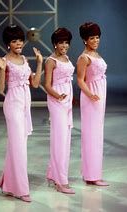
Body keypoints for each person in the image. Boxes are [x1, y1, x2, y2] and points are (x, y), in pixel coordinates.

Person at [0, 25, 43, 202]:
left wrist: (39, 62)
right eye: (14, 41)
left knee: (17, 145)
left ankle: (8, 185)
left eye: (20, 39)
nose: (19, 43)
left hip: (25, 104)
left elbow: (35, 84)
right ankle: (21, 190)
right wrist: (1, 69)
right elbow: (0, 90)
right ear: (8, 44)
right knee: (19, 147)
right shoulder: (5, 61)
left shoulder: (25, 60)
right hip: (13, 104)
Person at [76, 22, 109, 186]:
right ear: (85, 40)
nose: (95, 40)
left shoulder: (96, 54)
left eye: (97, 37)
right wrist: (90, 94)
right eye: (92, 38)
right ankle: (91, 175)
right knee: (91, 135)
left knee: (97, 134)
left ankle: (93, 173)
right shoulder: (84, 57)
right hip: (91, 98)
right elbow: (80, 80)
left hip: (99, 96)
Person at [45, 27, 75, 194]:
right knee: (60, 140)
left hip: (67, 100)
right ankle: (60, 181)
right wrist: (58, 96)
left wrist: (68, 98)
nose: (64, 45)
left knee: (66, 139)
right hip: (57, 101)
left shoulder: (66, 58)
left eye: (66, 42)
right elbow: (46, 84)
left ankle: (52, 174)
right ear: (55, 44)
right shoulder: (51, 60)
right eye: (61, 42)